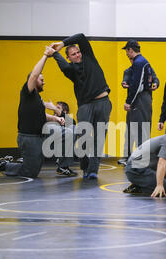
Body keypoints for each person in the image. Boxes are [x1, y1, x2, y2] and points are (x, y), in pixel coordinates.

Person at [0, 46, 77, 178]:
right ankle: (5, 165)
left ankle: (63, 166)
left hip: (42, 132)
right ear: (34, 81)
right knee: (31, 172)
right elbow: (34, 73)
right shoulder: (27, 92)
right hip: (29, 138)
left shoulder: (37, 98)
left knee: (70, 131)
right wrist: (45, 56)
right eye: (42, 80)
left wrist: (56, 119)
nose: (44, 82)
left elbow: (41, 116)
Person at [50, 33, 112, 179]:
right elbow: (61, 63)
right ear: (69, 58)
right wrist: (55, 53)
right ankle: (85, 167)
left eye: (78, 52)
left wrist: (62, 44)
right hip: (85, 106)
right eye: (73, 54)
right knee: (83, 136)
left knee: (99, 138)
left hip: (103, 102)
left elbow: (81, 37)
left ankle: (92, 171)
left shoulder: (88, 56)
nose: (77, 55)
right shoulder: (70, 70)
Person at [118, 40, 159, 167]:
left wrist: (128, 102)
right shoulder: (142, 63)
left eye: (127, 51)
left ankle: (143, 159)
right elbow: (152, 77)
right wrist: (156, 83)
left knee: (141, 129)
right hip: (142, 99)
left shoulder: (139, 62)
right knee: (131, 129)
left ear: (131, 50)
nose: (126, 54)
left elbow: (137, 86)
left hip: (140, 100)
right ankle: (128, 157)